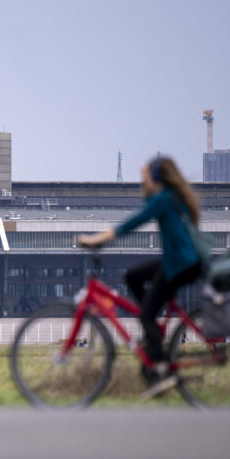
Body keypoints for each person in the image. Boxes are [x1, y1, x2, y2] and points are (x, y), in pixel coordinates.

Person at [78, 156, 204, 397]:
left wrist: (93, 240)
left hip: (180, 265)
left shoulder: (163, 200)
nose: (142, 180)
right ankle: (152, 330)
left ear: (157, 177)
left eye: (145, 175)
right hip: (179, 262)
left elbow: (130, 225)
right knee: (132, 277)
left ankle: (159, 368)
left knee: (145, 316)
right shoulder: (170, 197)